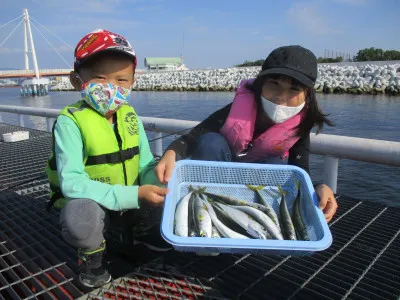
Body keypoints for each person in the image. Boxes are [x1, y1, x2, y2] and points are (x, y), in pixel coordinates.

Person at [45, 29, 171, 288]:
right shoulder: (70, 122)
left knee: (167, 189)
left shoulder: (130, 116)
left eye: (122, 80)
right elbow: (72, 184)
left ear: (133, 81)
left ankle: (137, 230)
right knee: (80, 214)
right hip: (94, 201)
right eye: (100, 78)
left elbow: (145, 163)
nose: (112, 88)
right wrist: (137, 194)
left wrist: (158, 180)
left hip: (129, 197)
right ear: (77, 80)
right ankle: (91, 256)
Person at [156, 45, 338, 223]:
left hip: (258, 187)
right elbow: (193, 137)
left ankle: (255, 215)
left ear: (308, 95)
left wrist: (319, 188)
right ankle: (208, 204)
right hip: (222, 175)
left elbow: (300, 171)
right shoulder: (235, 110)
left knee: (278, 164)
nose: (280, 96)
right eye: (274, 84)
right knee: (210, 141)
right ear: (260, 84)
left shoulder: (301, 126)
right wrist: (171, 152)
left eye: (294, 89)